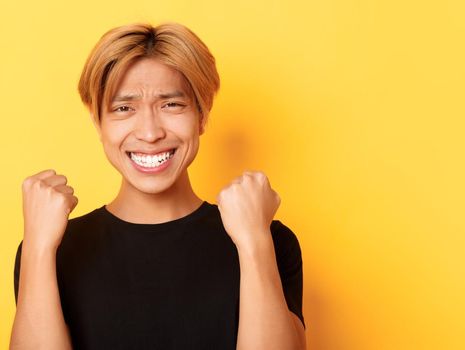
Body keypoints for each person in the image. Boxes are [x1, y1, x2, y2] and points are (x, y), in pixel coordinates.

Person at [10, 22, 306, 350]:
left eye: (171, 105)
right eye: (124, 108)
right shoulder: (50, 249)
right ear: (98, 123)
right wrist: (38, 248)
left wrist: (253, 242)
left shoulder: (269, 240)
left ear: (202, 115)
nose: (150, 133)